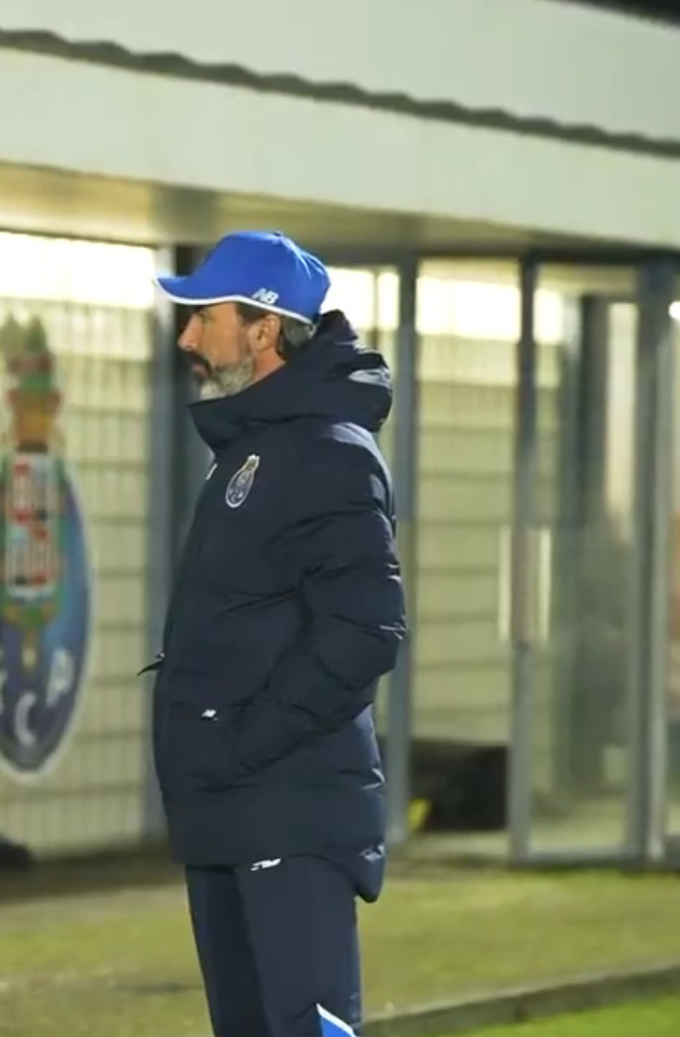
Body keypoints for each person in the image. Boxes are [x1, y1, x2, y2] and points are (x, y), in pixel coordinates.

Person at [147, 230, 407, 1037]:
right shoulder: (256, 448)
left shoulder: (326, 451)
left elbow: (366, 631)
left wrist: (244, 739)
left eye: (203, 317)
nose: (187, 338)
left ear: (264, 328)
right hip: (232, 809)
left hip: (287, 812)